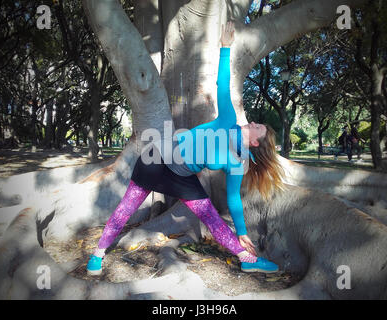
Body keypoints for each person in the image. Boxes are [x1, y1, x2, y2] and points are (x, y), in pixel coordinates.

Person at [86, 22, 285, 276]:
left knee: (212, 218)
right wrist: (225, 47)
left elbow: (234, 199)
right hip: (155, 160)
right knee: (125, 208)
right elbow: (222, 86)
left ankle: (247, 258)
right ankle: (97, 254)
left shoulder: (238, 163)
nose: (255, 122)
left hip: (182, 178)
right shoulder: (228, 119)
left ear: (255, 143)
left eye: (260, 128)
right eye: (259, 123)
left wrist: (243, 233)